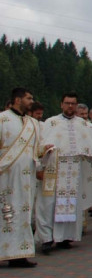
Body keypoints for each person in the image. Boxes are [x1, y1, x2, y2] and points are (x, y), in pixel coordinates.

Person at [35, 93, 92, 253]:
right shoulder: (51, 123)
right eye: (67, 103)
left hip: (74, 169)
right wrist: (39, 168)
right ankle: (46, 238)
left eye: (73, 103)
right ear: (61, 104)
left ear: (77, 105)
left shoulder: (84, 125)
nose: (70, 106)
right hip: (53, 167)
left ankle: (65, 237)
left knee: (71, 204)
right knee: (48, 204)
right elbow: (39, 146)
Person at [0, 88, 46, 268]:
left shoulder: (33, 123)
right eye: (29, 98)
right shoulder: (2, 119)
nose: (32, 101)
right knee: (6, 214)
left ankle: (19, 254)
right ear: (18, 100)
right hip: (6, 177)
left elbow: (36, 150)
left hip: (27, 180)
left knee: (24, 214)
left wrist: (45, 151)